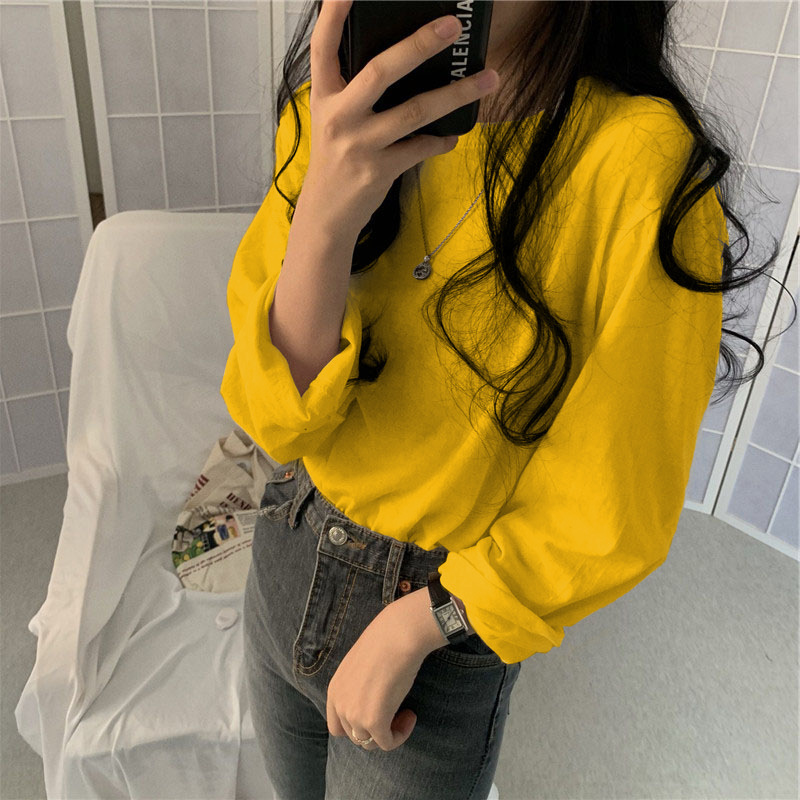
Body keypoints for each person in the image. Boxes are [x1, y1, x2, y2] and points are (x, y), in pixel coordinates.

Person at [221, 1, 780, 798]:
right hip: (287, 545)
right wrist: (324, 217)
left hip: (434, 629)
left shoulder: (637, 162)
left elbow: (612, 501)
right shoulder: (334, 107)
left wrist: (427, 621)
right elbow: (274, 417)